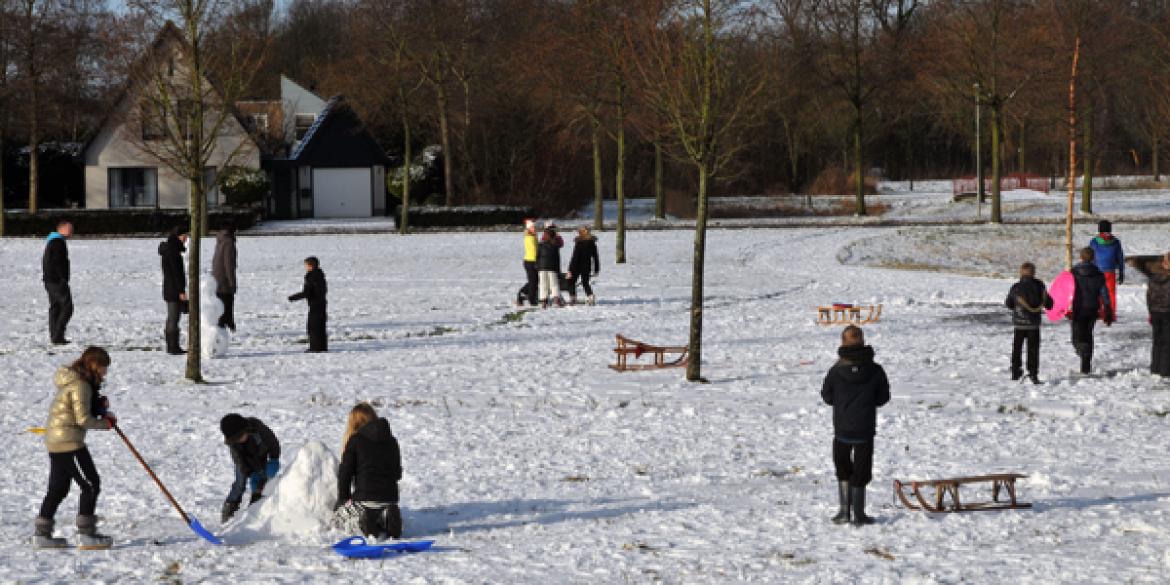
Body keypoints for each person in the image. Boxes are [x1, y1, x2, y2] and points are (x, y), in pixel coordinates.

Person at [34, 346, 117, 549]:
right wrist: (105, 424)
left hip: (58, 440)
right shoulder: (81, 385)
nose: (105, 372)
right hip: (68, 442)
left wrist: (98, 406)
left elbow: (80, 409)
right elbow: (82, 419)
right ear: (93, 365)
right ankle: (86, 534)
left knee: (58, 488)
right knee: (90, 484)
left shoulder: (78, 382)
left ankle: (42, 536)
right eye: (103, 367)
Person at [820, 325, 889, 527]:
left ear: (843, 342)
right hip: (865, 429)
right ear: (862, 340)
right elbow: (883, 397)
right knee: (862, 469)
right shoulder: (876, 370)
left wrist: (843, 404)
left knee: (842, 467)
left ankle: (844, 511)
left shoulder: (836, 370)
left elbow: (827, 396)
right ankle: (859, 513)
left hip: (842, 428)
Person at [333, 403, 403, 539]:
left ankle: (362, 521)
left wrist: (343, 498)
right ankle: (384, 515)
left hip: (365, 498)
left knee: (338, 518)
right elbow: (397, 474)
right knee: (379, 507)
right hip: (390, 497)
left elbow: (345, 474)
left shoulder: (355, 441)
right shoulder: (392, 441)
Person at [219, 413, 281, 523]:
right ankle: (230, 507)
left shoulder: (257, 428)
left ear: (245, 429)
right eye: (236, 439)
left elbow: (273, 442)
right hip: (244, 461)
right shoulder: (234, 444)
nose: (239, 440)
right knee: (240, 483)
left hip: (261, 453)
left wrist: (274, 458)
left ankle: (257, 500)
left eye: (240, 436)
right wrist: (248, 471)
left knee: (265, 474)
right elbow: (239, 460)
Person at [1005, 262, 1054, 384]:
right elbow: (1049, 304)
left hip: (1019, 324)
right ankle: (1033, 373)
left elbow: (1009, 304)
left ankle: (1015, 371)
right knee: (1033, 349)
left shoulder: (1016, 287)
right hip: (1033, 324)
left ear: (1021, 273)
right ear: (1034, 273)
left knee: (1017, 348)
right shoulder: (1039, 286)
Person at [1071, 247, 1114, 375]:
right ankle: (1086, 365)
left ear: (1081, 257)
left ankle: (1081, 349)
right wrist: (1107, 307)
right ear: (1093, 258)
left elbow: (1067, 289)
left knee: (1076, 336)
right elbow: (1104, 292)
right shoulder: (1099, 274)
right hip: (1092, 309)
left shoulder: (1073, 273)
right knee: (1088, 335)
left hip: (1078, 308)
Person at [42, 221, 74, 345]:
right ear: (62, 229)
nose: (72, 232)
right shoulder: (58, 242)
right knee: (67, 307)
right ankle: (58, 335)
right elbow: (58, 262)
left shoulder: (52, 241)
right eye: (70, 229)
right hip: (56, 280)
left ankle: (55, 336)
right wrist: (63, 279)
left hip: (50, 280)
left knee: (55, 307)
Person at [159, 227, 189, 354]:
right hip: (173, 290)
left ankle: (172, 345)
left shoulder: (170, 249)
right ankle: (173, 346)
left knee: (172, 318)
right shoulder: (173, 251)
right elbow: (176, 273)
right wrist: (181, 291)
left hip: (169, 288)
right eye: (184, 235)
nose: (186, 238)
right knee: (173, 318)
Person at [288, 256, 328, 352]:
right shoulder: (321, 275)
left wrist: (293, 297)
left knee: (313, 327)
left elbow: (307, 292)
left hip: (315, 304)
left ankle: (315, 348)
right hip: (322, 303)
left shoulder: (311, 276)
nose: (305, 267)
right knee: (320, 327)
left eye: (306, 265)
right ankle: (322, 347)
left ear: (310, 265)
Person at [1089, 220, 1125, 320]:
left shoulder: (1094, 242)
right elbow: (1120, 258)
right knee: (1111, 293)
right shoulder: (1116, 242)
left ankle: (1099, 312)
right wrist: (1121, 272)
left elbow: (1091, 257)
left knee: (1098, 293)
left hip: (1097, 271)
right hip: (1110, 271)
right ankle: (1111, 314)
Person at [1146, 253, 1170, 377]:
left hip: (1155, 311)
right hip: (1167, 312)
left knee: (1157, 340)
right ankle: (1165, 370)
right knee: (1167, 342)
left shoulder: (1153, 276)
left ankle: (1155, 367)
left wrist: (1150, 311)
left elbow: (1149, 296)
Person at [212, 221, 238, 331]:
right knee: (226, 305)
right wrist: (232, 282)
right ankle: (226, 326)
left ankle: (224, 325)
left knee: (221, 306)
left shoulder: (220, 240)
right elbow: (229, 264)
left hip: (217, 278)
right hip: (224, 281)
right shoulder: (228, 242)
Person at [566, 227, 600, 306]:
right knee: (585, 282)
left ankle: (573, 298)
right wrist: (596, 269)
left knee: (570, 281)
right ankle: (590, 296)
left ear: (581, 233)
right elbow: (595, 257)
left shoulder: (579, 242)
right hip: (586, 266)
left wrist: (569, 270)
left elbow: (575, 257)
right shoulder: (592, 243)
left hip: (576, 266)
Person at [536, 223, 564, 309]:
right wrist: (558, 270)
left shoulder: (540, 245)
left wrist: (537, 266)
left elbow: (537, 256)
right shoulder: (555, 246)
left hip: (542, 268)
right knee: (554, 284)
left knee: (543, 284)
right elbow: (557, 259)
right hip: (552, 268)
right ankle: (556, 299)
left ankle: (544, 301)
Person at [517, 219, 539, 307]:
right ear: (529, 228)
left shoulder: (533, 236)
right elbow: (534, 250)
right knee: (533, 281)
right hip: (530, 261)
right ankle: (531, 299)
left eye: (534, 227)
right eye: (533, 227)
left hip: (532, 261)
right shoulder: (529, 237)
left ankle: (524, 294)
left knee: (534, 281)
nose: (535, 228)